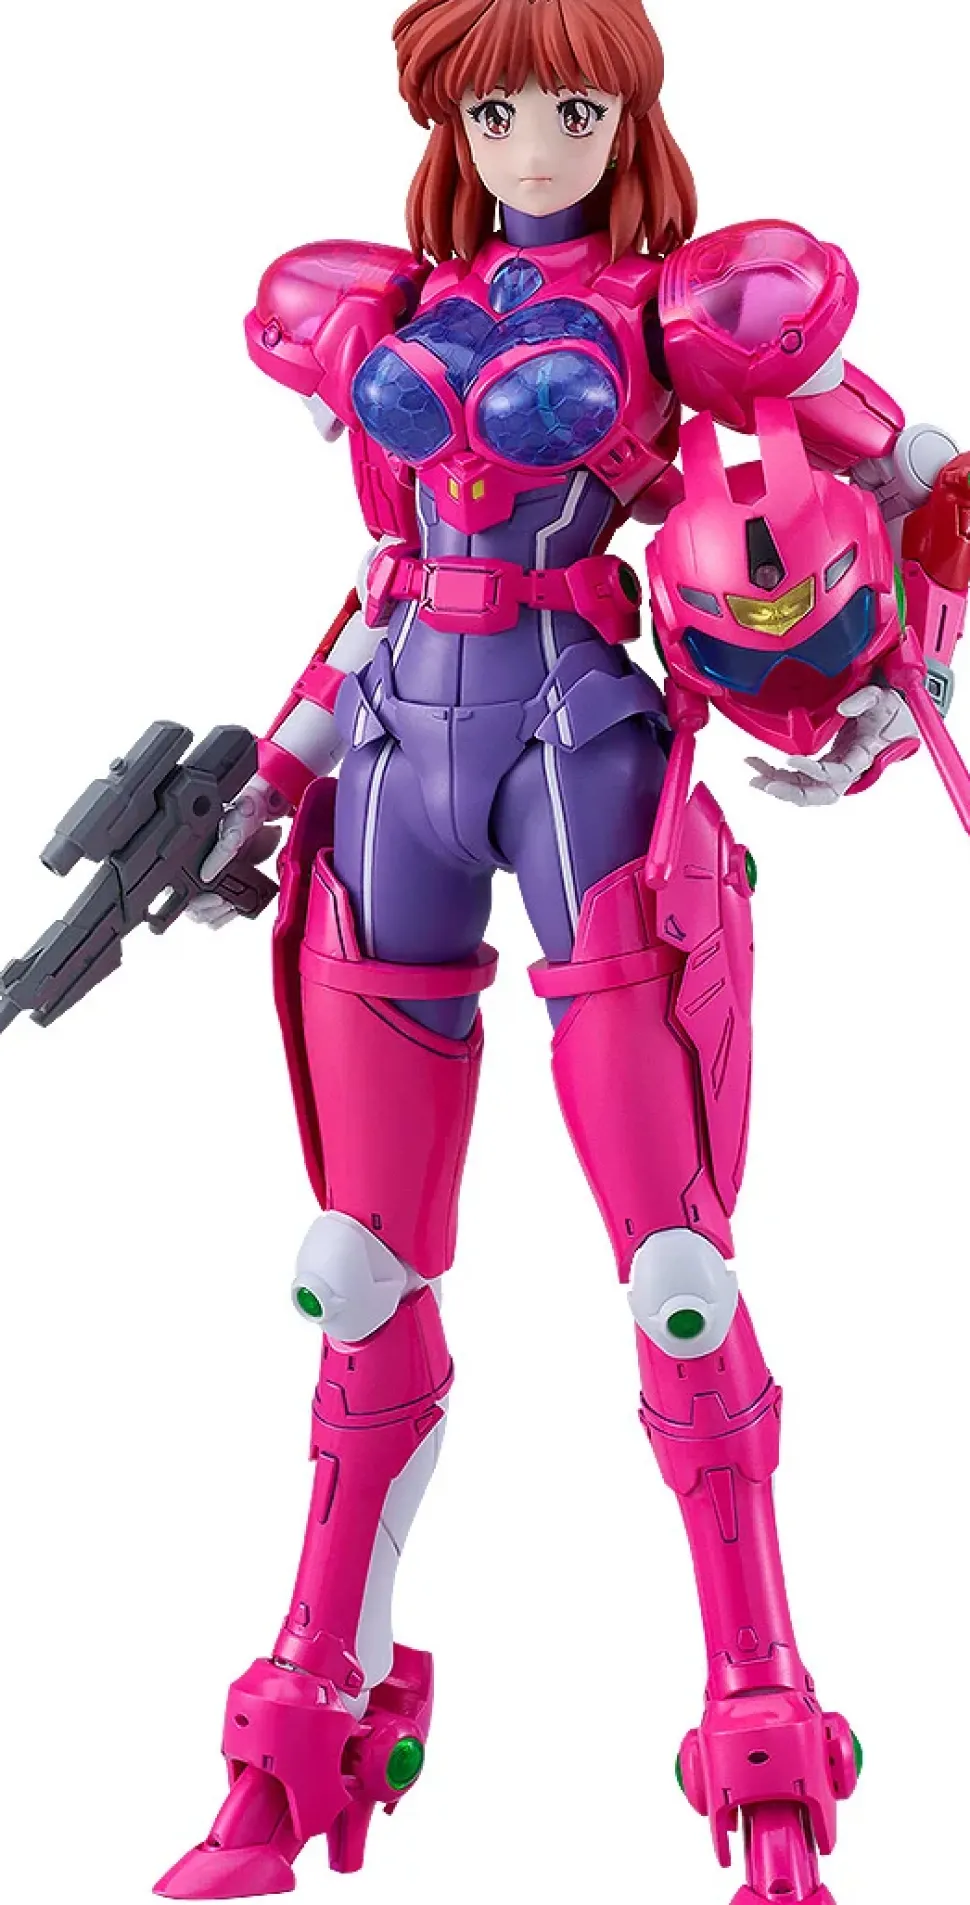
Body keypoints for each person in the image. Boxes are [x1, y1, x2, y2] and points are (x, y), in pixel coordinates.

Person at [145, 3, 965, 1899]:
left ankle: (762, 1731)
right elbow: (381, 588)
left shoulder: (696, 308)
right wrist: (271, 774)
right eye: (494, 109)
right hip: (391, 765)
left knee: (674, 1271)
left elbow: (926, 483)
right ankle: (304, 1720)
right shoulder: (384, 312)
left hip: (583, 749)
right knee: (353, 1271)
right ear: (448, 119)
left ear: (625, 116)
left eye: (570, 107)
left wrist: (886, 664)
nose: (530, 144)